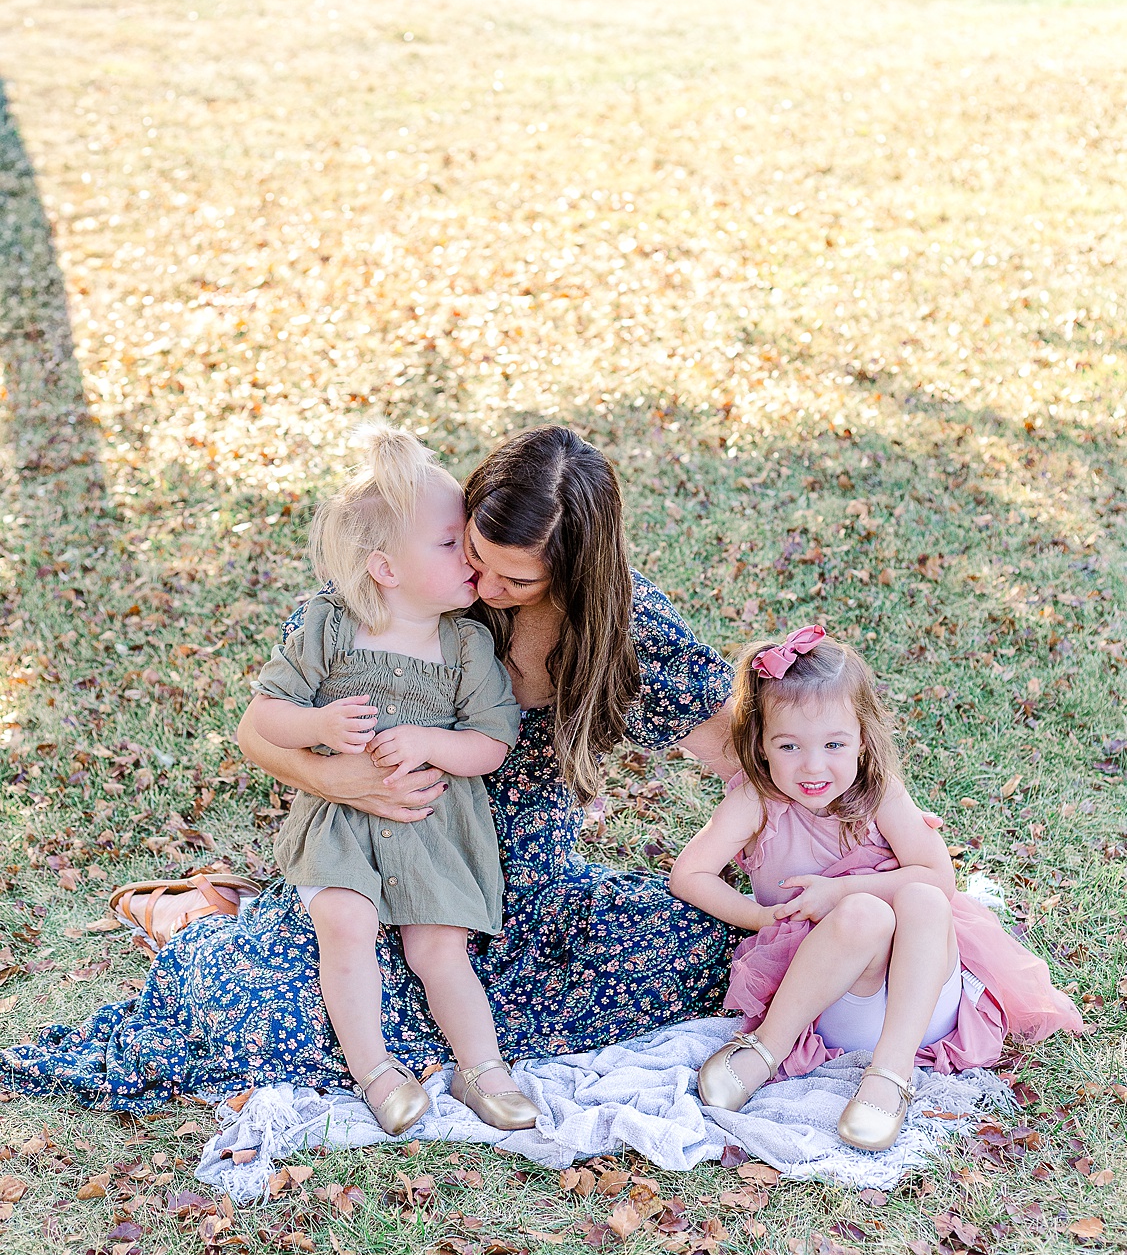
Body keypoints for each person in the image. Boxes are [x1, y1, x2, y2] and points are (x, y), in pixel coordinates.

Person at [3, 427, 743, 1109]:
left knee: (698, 946)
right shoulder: (394, 596)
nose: (484, 588)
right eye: (475, 556)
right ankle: (200, 914)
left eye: (516, 582)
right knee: (271, 1018)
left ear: (575, 571)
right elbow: (256, 729)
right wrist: (335, 778)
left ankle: (461, 1049)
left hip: (513, 888)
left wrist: (821, 845)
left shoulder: (627, 625)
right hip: (372, 865)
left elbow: (747, 761)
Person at [670, 625, 1084, 1152]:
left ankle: (891, 1076)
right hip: (825, 1001)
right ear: (761, 746)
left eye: (835, 744)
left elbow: (939, 877)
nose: (814, 765)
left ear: (863, 742)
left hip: (922, 1005)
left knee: (921, 896)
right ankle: (766, 1048)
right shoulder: (758, 801)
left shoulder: (880, 793)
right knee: (864, 916)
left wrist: (838, 892)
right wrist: (762, 917)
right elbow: (690, 874)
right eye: (790, 745)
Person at [252, 423, 537, 1134]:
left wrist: (431, 741)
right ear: (384, 567)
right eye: (450, 544)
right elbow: (264, 714)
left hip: (430, 820)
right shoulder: (330, 624)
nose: (469, 556)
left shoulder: (466, 643)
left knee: (437, 944)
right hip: (340, 822)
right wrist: (317, 729)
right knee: (342, 922)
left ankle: (482, 1069)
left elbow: (492, 744)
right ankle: (375, 1071)